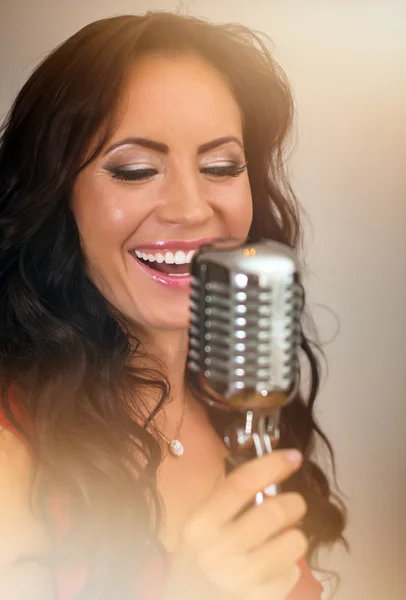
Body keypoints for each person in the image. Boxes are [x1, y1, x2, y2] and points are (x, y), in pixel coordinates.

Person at [0, 11, 346, 600]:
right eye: (135, 170)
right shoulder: (12, 451)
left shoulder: (244, 413)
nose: (190, 208)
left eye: (220, 166)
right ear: (59, 198)